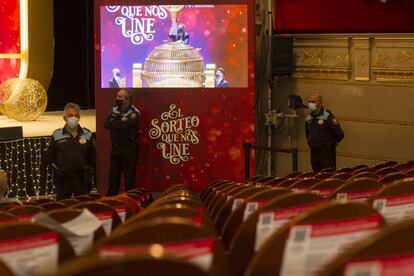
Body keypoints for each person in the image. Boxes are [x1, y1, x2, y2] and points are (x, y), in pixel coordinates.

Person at [46, 103, 95, 200]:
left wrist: (88, 171)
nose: (74, 118)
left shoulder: (87, 134)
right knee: (62, 210)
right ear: (64, 118)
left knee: (84, 208)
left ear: (79, 117)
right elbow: (49, 158)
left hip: (82, 180)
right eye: (70, 116)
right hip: (64, 180)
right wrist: (58, 171)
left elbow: (93, 158)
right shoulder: (57, 135)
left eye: (76, 116)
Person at [104, 89, 141, 196]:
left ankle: (130, 201)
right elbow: (106, 124)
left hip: (129, 149)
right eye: (117, 96)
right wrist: (118, 123)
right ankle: (111, 202)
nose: (117, 99)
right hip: (115, 149)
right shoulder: (114, 109)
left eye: (120, 97)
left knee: (129, 178)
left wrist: (115, 123)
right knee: (113, 178)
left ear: (127, 99)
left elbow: (123, 126)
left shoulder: (134, 113)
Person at [305, 93, 344, 172]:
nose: (310, 104)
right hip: (314, 152)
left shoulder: (327, 116)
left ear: (319, 103)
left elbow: (339, 134)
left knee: (327, 177)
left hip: (326, 153)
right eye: (309, 102)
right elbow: (308, 134)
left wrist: (331, 143)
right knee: (316, 176)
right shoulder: (309, 118)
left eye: (313, 101)